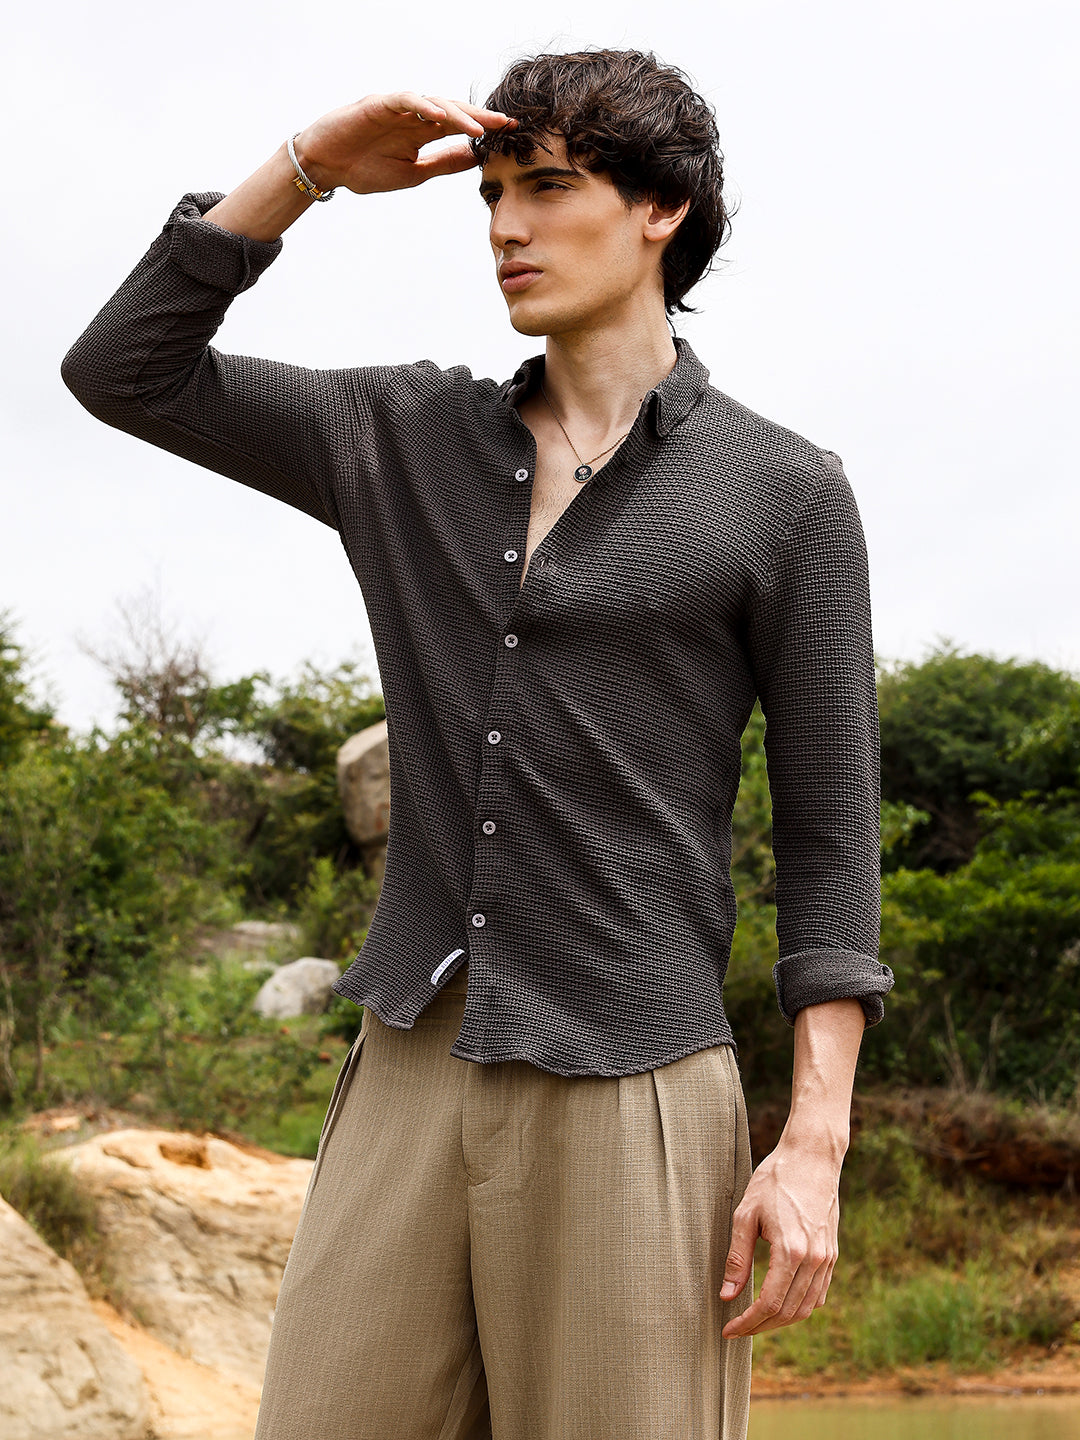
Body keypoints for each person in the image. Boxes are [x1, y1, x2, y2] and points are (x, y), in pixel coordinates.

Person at [62, 46, 893, 1440]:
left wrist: (814, 1144)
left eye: (548, 187)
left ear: (662, 210)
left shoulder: (784, 494)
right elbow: (122, 370)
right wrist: (309, 168)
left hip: (635, 1080)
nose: (507, 225)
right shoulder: (402, 433)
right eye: (492, 193)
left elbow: (831, 841)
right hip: (409, 1061)